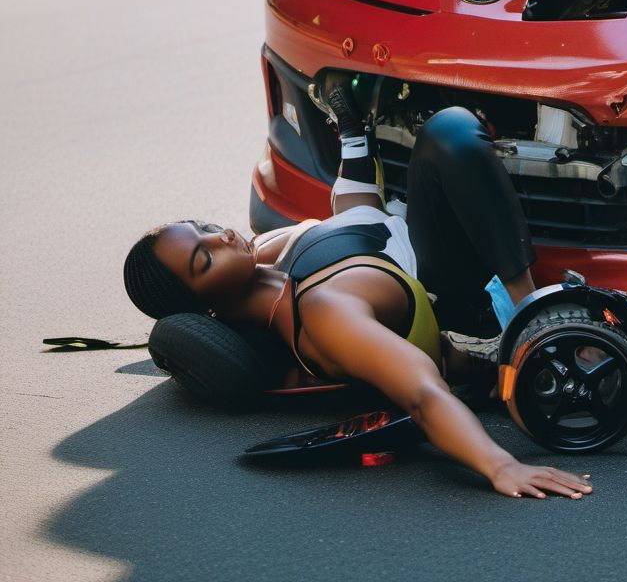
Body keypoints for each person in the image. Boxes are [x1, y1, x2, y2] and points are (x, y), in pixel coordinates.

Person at [124, 76, 593, 500]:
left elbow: (355, 220)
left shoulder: (266, 253)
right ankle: (527, 316)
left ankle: (358, 138)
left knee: (391, 173)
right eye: (205, 259)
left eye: (205, 227)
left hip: (401, 233)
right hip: (456, 298)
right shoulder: (323, 313)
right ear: (209, 309)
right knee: (450, 130)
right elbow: (422, 393)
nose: (222, 236)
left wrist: (352, 138)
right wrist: (500, 465)